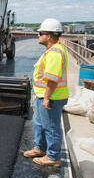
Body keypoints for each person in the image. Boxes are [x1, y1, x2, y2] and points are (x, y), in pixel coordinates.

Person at [24, 18, 69, 167]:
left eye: (40, 33)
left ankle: (53, 157)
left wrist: (46, 98)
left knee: (51, 127)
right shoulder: (51, 51)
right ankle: (40, 148)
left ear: (49, 36)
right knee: (39, 123)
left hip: (52, 97)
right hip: (43, 95)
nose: (38, 35)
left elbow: (52, 80)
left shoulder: (54, 53)